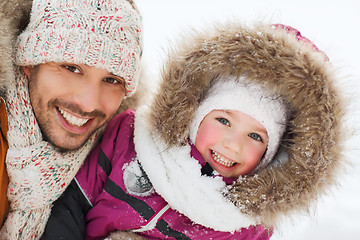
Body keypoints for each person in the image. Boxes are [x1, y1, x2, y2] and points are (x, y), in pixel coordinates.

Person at [45, 22, 345, 239]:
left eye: (255, 136)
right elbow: (74, 203)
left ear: (272, 154)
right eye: (223, 121)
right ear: (197, 115)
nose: (232, 145)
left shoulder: (247, 224)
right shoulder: (134, 138)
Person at [0, 0, 143, 239]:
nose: (88, 103)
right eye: (71, 68)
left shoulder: (122, 161)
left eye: (111, 80)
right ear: (29, 63)